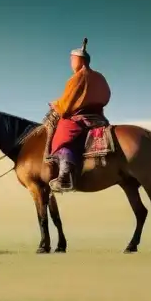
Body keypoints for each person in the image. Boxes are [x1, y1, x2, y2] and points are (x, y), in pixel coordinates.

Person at [47, 38, 112, 193]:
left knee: (61, 136)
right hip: (99, 118)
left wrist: (55, 104)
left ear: (79, 60)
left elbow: (66, 104)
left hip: (80, 118)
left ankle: (64, 176)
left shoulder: (76, 78)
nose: (71, 62)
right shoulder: (100, 76)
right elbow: (107, 95)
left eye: (72, 59)